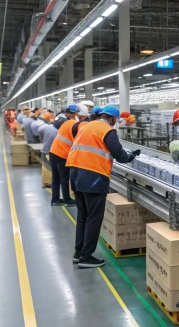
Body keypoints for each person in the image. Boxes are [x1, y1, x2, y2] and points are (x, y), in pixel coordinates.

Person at [67, 105, 139, 268]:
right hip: (93, 176)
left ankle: (79, 253)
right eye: (115, 120)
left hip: (75, 173)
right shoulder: (107, 130)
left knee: (83, 215)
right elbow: (119, 154)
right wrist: (131, 157)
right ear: (112, 118)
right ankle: (86, 257)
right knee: (94, 217)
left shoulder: (88, 126)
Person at [48, 104, 89, 207]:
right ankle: (67, 199)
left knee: (56, 178)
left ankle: (55, 199)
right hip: (62, 155)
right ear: (76, 114)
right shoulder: (75, 124)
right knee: (64, 178)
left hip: (53, 152)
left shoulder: (66, 123)